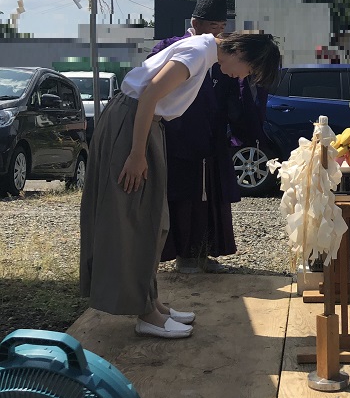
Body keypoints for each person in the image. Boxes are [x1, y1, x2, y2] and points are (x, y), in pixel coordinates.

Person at [79, 30, 280, 339]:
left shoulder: (202, 52)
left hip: (143, 124)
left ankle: (151, 304)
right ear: (241, 53)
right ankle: (145, 314)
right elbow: (149, 95)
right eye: (250, 71)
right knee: (137, 218)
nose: (243, 77)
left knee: (153, 218)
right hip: (134, 124)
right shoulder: (198, 53)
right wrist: (135, 154)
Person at [149, 0, 267, 274]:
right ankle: (183, 257)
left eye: (221, 25)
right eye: (210, 25)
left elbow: (235, 101)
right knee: (182, 198)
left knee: (210, 200)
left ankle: (203, 254)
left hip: (211, 139)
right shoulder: (172, 47)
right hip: (177, 139)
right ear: (194, 22)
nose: (217, 32)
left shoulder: (223, 54)